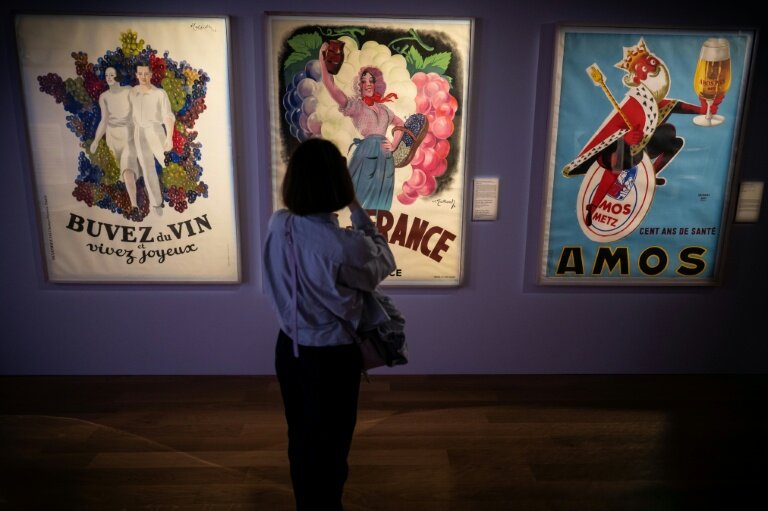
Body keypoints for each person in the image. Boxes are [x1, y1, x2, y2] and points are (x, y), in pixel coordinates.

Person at [263, 138, 396, 510]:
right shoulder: (346, 247)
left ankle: (306, 503)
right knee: (333, 444)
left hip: (289, 348)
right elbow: (384, 262)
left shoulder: (279, 223)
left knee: (300, 435)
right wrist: (356, 208)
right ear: (341, 183)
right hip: (332, 356)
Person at [562, 38, 723, 226]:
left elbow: (676, 105)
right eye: (648, 65)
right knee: (616, 162)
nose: (654, 66)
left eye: (654, 63)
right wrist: (625, 137)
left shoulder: (655, 100)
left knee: (673, 140)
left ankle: (651, 176)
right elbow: (613, 127)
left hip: (642, 147)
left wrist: (703, 109)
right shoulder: (634, 101)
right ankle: (594, 206)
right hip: (620, 148)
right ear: (638, 78)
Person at [320, 42, 405, 211]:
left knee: (382, 201)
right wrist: (323, 61)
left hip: (385, 158)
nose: (368, 84)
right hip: (366, 152)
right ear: (359, 85)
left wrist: (394, 144)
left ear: (376, 84)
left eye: (371, 80)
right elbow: (331, 86)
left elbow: (400, 123)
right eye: (364, 81)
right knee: (359, 197)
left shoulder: (384, 109)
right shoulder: (356, 106)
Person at [90, 67, 139, 210]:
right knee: (119, 173)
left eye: (112, 74)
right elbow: (104, 120)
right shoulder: (104, 97)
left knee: (128, 168)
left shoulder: (129, 91)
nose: (109, 77)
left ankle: (134, 205)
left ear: (118, 75)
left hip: (129, 135)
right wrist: (96, 140)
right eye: (107, 75)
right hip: (112, 137)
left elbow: (139, 112)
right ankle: (127, 203)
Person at [130, 64, 174, 216]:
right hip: (139, 132)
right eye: (140, 74)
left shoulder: (159, 93)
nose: (143, 77)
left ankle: (175, 195)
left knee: (167, 162)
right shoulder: (133, 92)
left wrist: (169, 137)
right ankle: (156, 204)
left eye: (146, 74)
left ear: (151, 75)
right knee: (147, 168)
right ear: (136, 75)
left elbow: (168, 116)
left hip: (155, 130)